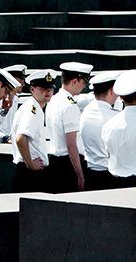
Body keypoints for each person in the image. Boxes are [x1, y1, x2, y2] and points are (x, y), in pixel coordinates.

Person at [47, 61, 93, 192]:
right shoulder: (69, 105)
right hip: (68, 165)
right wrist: (80, 175)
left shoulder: (54, 99)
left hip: (55, 160)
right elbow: (71, 144)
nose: (83, 86)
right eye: (83, 82)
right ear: (74, 81)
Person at [11, 69, 55, 192]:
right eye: (42, 88)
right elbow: (20, 138)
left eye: (50, 88)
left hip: (30, 170)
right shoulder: (32, 110)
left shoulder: (35, 107)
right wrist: (30, 163)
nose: (48, 91)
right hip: (30, 172)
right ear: (32, 89)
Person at [78, 70, 120, 191]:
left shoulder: (86, 111)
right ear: (112, 90)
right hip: (109, 175)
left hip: (91, 173)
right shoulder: (114, 117)